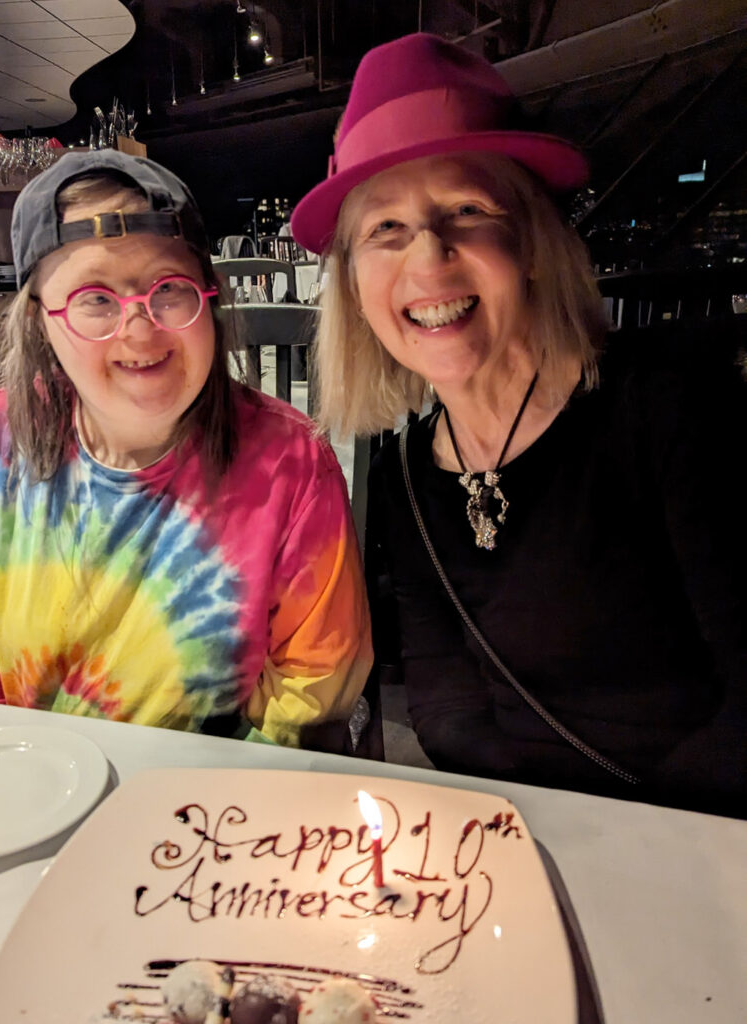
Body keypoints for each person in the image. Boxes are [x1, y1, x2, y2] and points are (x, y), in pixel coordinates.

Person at [291, 33, 747, 814]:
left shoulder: (670, 404)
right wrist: (532, 834)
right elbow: (442, 700)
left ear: (533, 242)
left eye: (467, 210)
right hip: (519, 839)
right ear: (356, 289)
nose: (428, 256)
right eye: (386, 230)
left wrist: (624, 847)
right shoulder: (405, 469)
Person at [0, 149, 372, 750]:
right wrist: (17, 752)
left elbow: (313, 682)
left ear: (209, 295)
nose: (139, 329)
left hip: (211, 804)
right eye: (95, 299)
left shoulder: (292, 465)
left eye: (169, 289)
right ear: (38, 321)